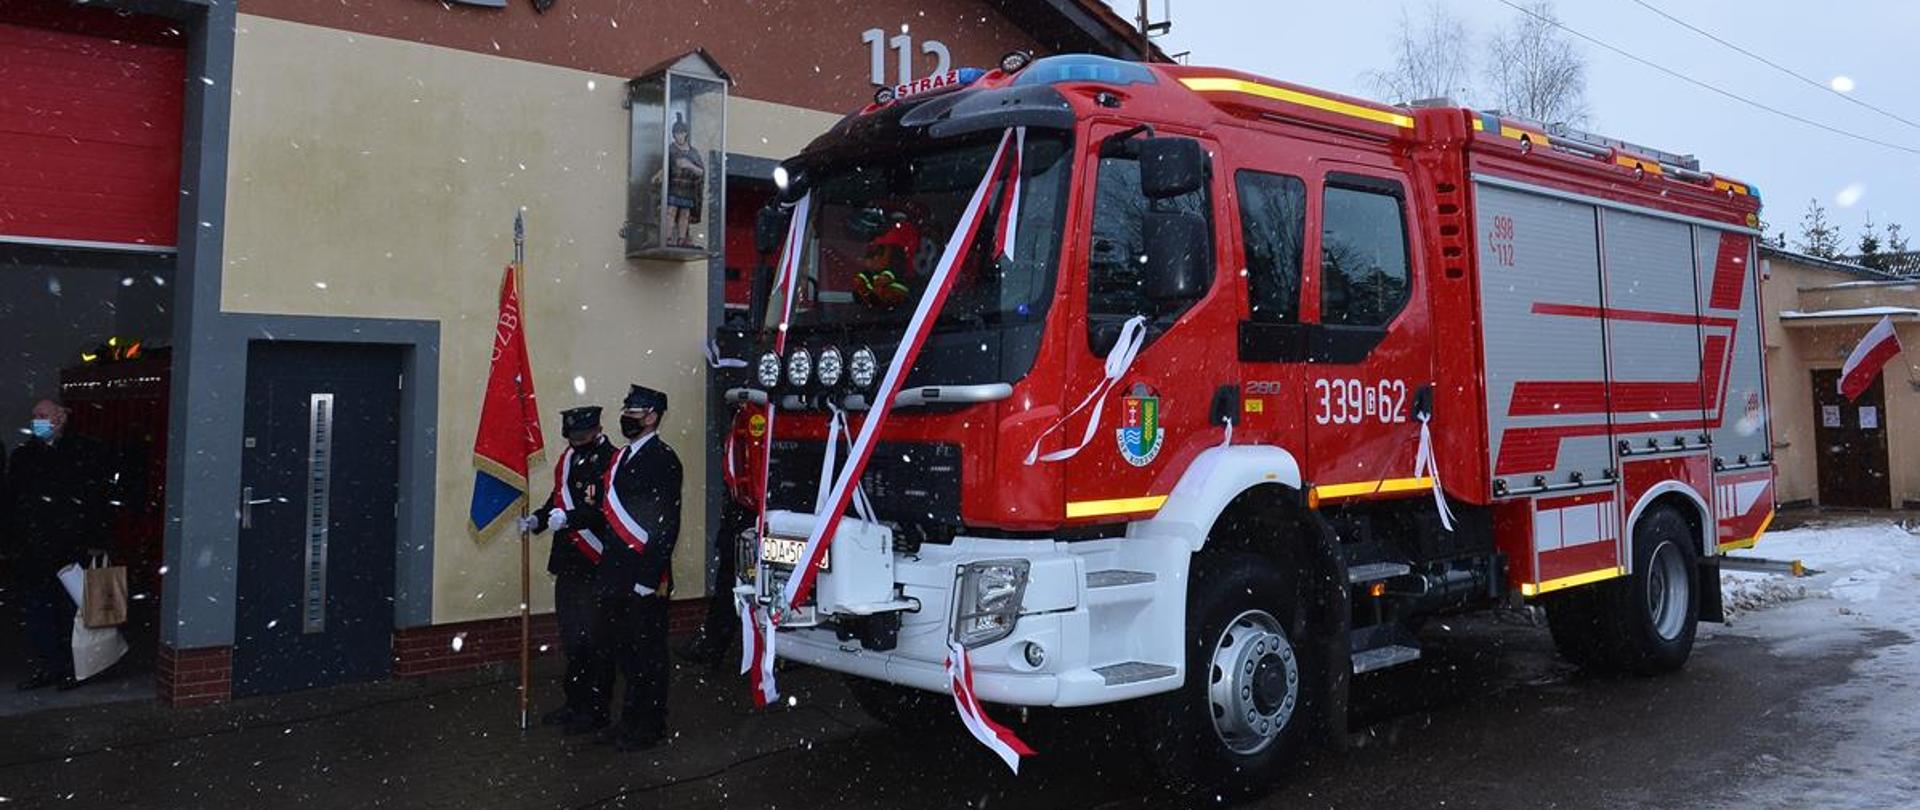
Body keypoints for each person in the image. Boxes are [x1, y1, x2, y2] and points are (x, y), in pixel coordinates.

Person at [592, 384, 683, 751]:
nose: (627, 416)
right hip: (616, 573)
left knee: (648, 654)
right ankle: (630, 719)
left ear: (652, 416)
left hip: (644, 576)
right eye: (626, 409)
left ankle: (650, 725)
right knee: (625, 652)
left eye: (635, 411)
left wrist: (648, 578)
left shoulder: (663, 459)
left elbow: (666, 525)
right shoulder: (623, 457)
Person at [519, 406, 617, 732]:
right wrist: (538, 519)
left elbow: (608, 512)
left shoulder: (611, 460)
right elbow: (557, 501)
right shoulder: (569, 460)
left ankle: (595, 709)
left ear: (597, 430)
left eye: (582, 436)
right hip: (569, 564)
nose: (577, 441)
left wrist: (572, 519)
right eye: (572, 437)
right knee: (573, 639)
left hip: (595, 563)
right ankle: (574, 703)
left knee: (594, 641)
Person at [8, 399, 113, 690]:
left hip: (71, 547)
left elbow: (97, 499)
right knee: (38, 612)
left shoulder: (84, 452)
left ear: (60, 418)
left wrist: (96, 539)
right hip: (34, 548)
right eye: (34, 416)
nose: (36, 420)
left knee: (71, 612)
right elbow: (13, 502)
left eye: (43, 416)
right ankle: (49, 666)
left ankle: (72, 667)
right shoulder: (23, 456)